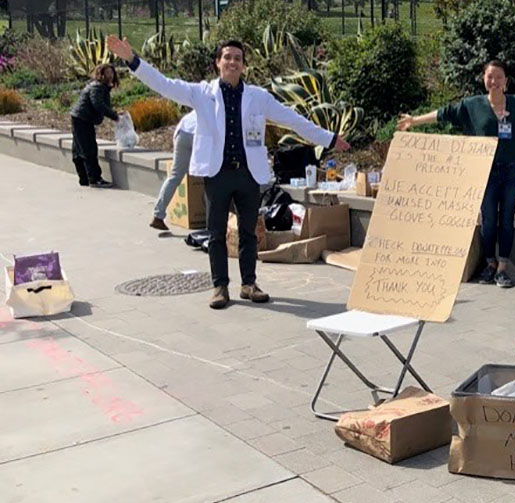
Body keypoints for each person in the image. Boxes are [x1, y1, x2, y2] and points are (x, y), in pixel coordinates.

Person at [106, 35, 351, 310]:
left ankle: (249, 284)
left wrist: (329, 138)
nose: (232, 62)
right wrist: (132, 60)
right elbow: (165, 85)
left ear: (243, 66)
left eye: (238, 58)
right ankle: (219, 286)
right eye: (227, 57)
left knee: (248, 232)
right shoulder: (201, 93)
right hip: (217, 173)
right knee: (216, 233)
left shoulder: (258, 97)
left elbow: (292, 120)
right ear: (218, 63)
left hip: (248, 174)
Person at [397, 60, 515, 289]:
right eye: (490, 77)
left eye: (498, 77)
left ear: (506, 81)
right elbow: (445, 114)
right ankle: (490, 264)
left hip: (511, 171)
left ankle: (503, 269)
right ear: (484, 79)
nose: (494, 81)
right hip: (483, 172)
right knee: (487, 220)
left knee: (506, 220)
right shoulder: (472, 106)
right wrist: (414, 121)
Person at [69, 63, 123, 188]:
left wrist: (114, 113)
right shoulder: (97, 87)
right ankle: (94, 178)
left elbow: (102, 104)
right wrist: (114, 116)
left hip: (79, 117)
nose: (110, 75)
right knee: (89, 149)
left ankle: (84, 178)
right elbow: (98, 104)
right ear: (101, 74)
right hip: (83, 119)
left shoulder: (99, 86)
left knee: (79, 149)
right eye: (107, 73)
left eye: (112, 72)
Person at [149, 110, 197, 231]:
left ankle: (158, 215)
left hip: (182, 132)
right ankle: (211, 221)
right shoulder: (223, 103)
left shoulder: (205, 97)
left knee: (175, 176)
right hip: (198, 135)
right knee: (210, 176)